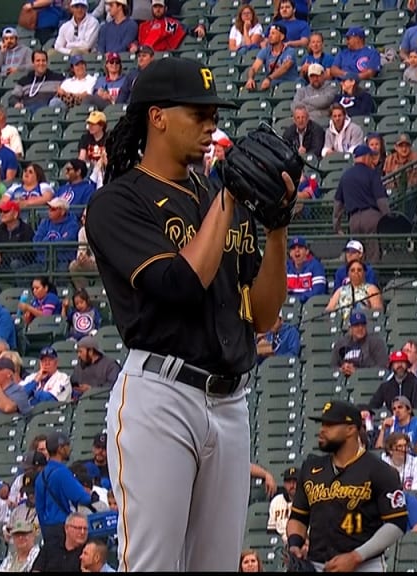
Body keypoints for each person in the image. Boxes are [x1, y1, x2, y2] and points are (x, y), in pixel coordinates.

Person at [86, 57, 289, 572]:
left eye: (213, 114)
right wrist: (229, 195)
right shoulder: (117, 202)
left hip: (229, 400)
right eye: (197, 113)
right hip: (160, 394)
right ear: (157, 116)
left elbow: (263, 316)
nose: (210, 124)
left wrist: (276, 229)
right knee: (154, 565)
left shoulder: (223, 198)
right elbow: (180, 283)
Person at [286, 401, 407, 571]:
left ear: (351, 429)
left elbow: (397, 522)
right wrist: (294, 544)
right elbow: (299, 517)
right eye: (322, 424)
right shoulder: (310, 468)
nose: (322, 430)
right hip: (318, 564)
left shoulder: (380, 470)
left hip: (365, 564)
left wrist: (356, 556)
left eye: (330, 425)